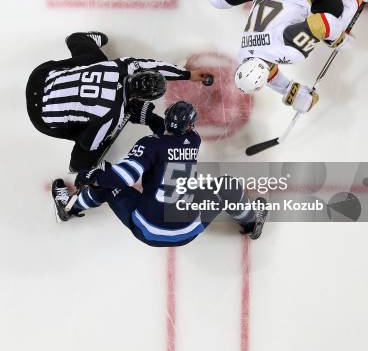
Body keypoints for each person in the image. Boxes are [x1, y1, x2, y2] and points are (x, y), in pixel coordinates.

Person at [183, 0, 368, 113]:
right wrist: (290, 91)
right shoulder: (245, 54)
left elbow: (321, 23)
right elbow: (265, 66)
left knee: (336, 25)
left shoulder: (290, 51)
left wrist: (337, 38)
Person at [51, 101, 268, 246]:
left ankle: (69, 207)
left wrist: (92, 177)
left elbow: (125, 176)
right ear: (191, 125)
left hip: (149, 230)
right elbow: (168, 137)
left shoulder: (149, 145)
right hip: (188, 230)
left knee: (108, 179)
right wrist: (147, 117)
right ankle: (251, 222)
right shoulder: (194, 140)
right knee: (226, 186)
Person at [26, 31, 213, 171]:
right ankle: (78, 166)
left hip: (39, 77)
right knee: (89, 144)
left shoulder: (122, 65)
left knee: (95, 61)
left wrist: (187, 74)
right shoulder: (112, 115)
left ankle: (78, 38)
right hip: (41, 118)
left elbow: (154, 65)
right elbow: (88, 144)